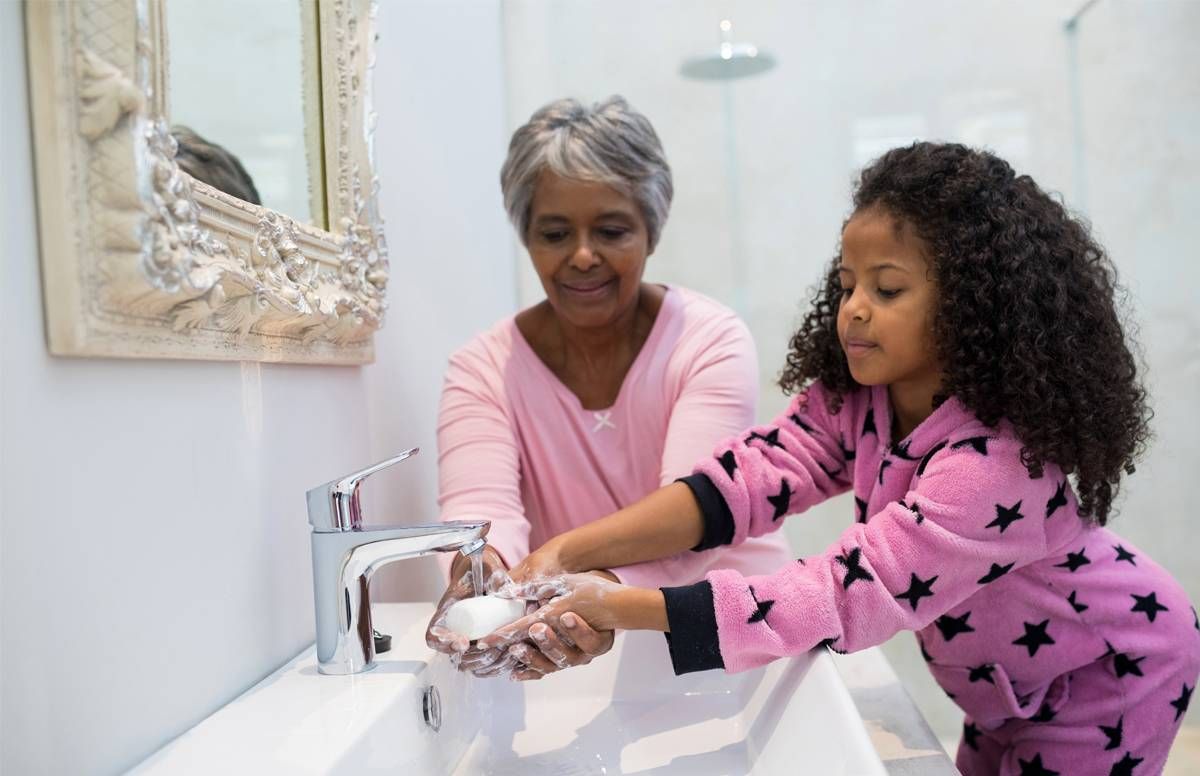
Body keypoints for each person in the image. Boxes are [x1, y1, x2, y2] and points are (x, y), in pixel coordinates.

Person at [483, 142, 1200, 774]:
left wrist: (622, 608)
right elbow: (741, 483)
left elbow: (844, 591)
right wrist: (567, 551)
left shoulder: (997, 467)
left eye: (887, 289)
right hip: (1001, 683)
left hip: (1107, 671)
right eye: (848, 284)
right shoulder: (861, 400)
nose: (852, 308)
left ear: (974, 307)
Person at [424, 96, 791, 679]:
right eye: (555, 233)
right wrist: (480, 585)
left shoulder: (710, 341)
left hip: (735, 640)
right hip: (578, 641)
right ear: (527, 237)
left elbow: (695, 515)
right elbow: (480, 521)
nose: (583, 256)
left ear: (652, 230)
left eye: (612, 230)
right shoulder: (481, 369)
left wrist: (599, 596)